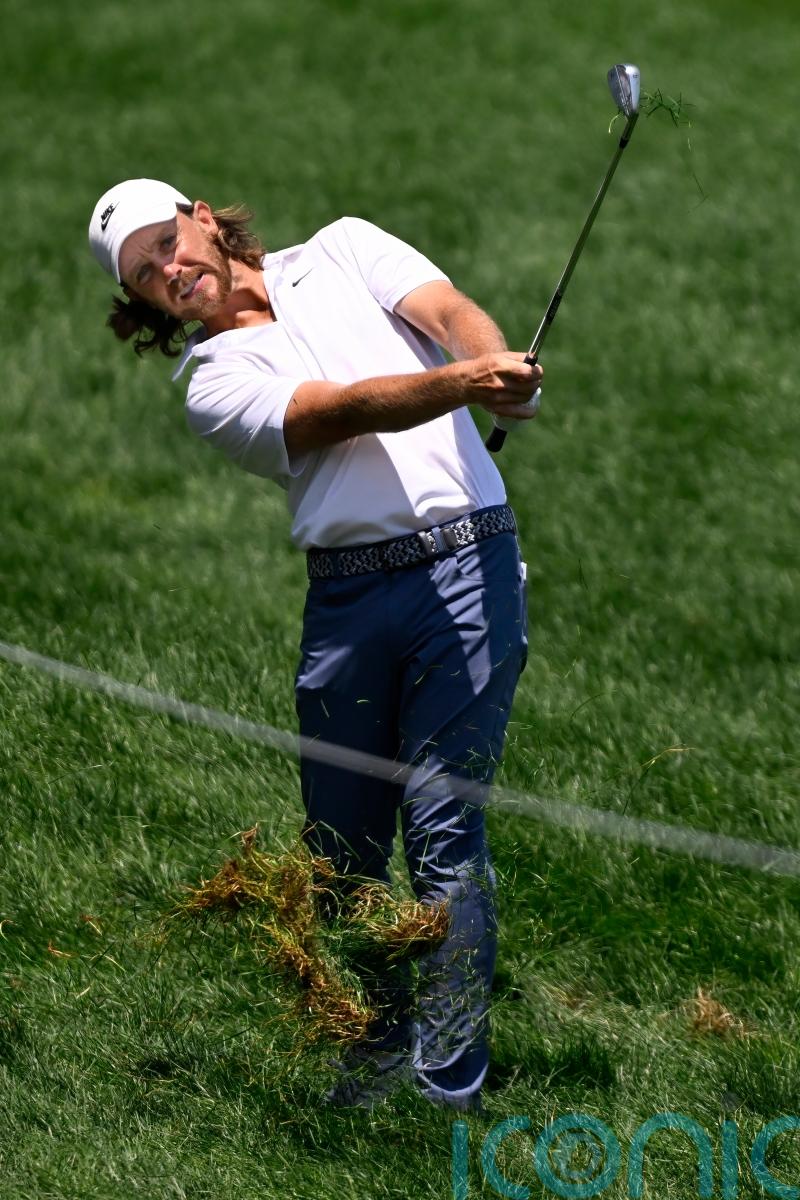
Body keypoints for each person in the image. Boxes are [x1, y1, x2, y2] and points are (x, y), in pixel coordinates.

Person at [88, 178, 543, 1113]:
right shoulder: (212, 385)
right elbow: (343, 409)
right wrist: (462, 387)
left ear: (201, 218)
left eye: (167, 242)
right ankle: (375, 1051)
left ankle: (448, 1086)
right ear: (142, 302)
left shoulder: (342, 246)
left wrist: (492, 363)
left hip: (470, 563)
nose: (170, 270)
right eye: (144, 276)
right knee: (342, 852)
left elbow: (447, 311)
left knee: (444, 829)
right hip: (347, 598)